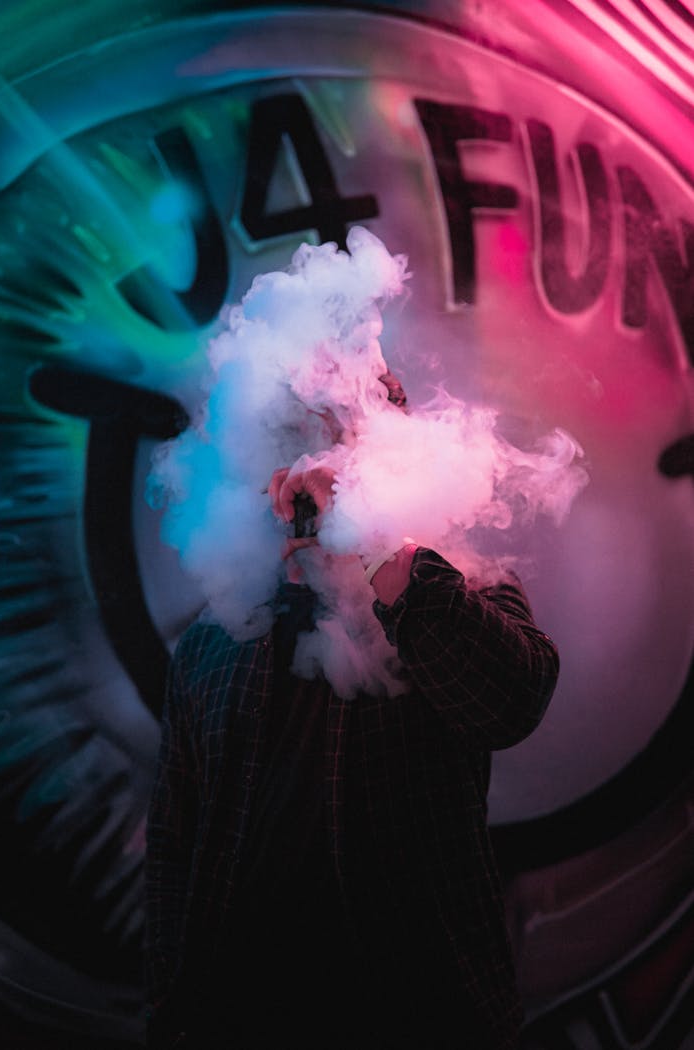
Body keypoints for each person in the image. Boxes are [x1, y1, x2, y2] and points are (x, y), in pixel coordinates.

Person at [144, 433, 559, 1049]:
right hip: (232, 1017)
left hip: (421, 1018)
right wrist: (171, 1007)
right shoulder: (214, 639)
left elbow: (511, 705)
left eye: (339, 448)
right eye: (293, 443)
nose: (310, 479)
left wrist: (372, 546)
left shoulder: (461, 588)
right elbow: (175, 844)